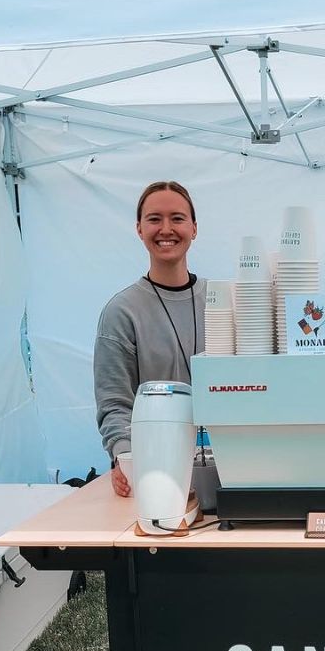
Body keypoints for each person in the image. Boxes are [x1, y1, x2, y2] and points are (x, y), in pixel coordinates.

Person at [95, 181, 205, 497]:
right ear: (140, 229)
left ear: (194, 228)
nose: (166, 228)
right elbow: (115, 402)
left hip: (224, 467)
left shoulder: (220, 302)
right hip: (155, 472)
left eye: (178, 218)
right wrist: (125, 458)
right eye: (155, 219)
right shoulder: (121, 312)